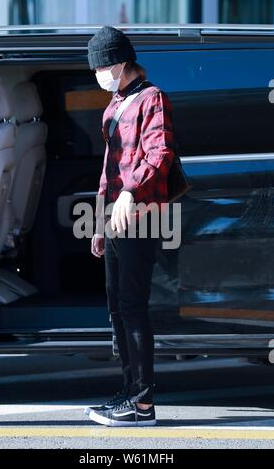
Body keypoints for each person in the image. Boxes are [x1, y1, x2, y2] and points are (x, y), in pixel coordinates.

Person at [85, 25, 175, 427]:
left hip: (140, 216)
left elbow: (160, 154)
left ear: (121, 63)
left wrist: (129, 192)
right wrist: (101, 222)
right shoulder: (116, 104)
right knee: (117, 311)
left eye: (103, 66)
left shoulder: (151, 98)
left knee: (134, 309)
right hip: (117, 220)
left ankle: (142, 406)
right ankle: (127, 393)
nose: (100, 75)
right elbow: (110, 168)